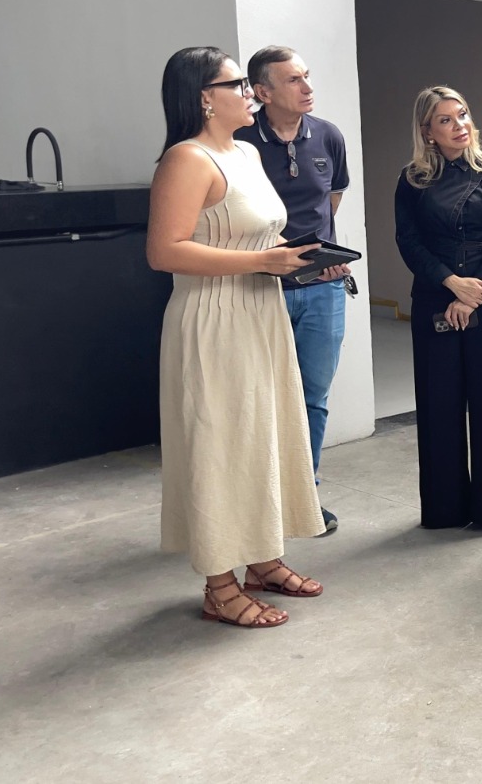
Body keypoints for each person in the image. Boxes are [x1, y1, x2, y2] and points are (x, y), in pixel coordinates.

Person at [147, 47, 327, 629]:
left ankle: (262, 559)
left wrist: (298, 258)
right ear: (205, 97)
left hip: (258, 311)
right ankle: (219, 586)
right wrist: (261, 262)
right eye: (238, 85)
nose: (250, 94)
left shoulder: (246, 152)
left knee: (262, 435)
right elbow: (164, 251)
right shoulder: (186, 159)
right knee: (220, 443)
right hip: (213, 319)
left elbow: (255, 236)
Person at [394, 87, 482, 533]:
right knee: (439, 405)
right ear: (428, 132)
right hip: (436, 298)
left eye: (463, 114)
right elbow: (409, 243)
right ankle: (445, 509)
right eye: (446, 120)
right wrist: (452, 285)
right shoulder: (412, 179)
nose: (459, 125)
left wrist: (471, 295)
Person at [235, 46, 351, 535]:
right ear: (262, 92)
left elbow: (331, 201)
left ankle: (305, 495)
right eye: (293, 80)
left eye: (307, 76)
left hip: (323, 289)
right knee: (259, 399)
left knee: (313, 397)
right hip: (260, 290)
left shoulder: (327, 136)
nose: (307, 88)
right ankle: (260, 503)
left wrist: (318, 258)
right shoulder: (239, 142)